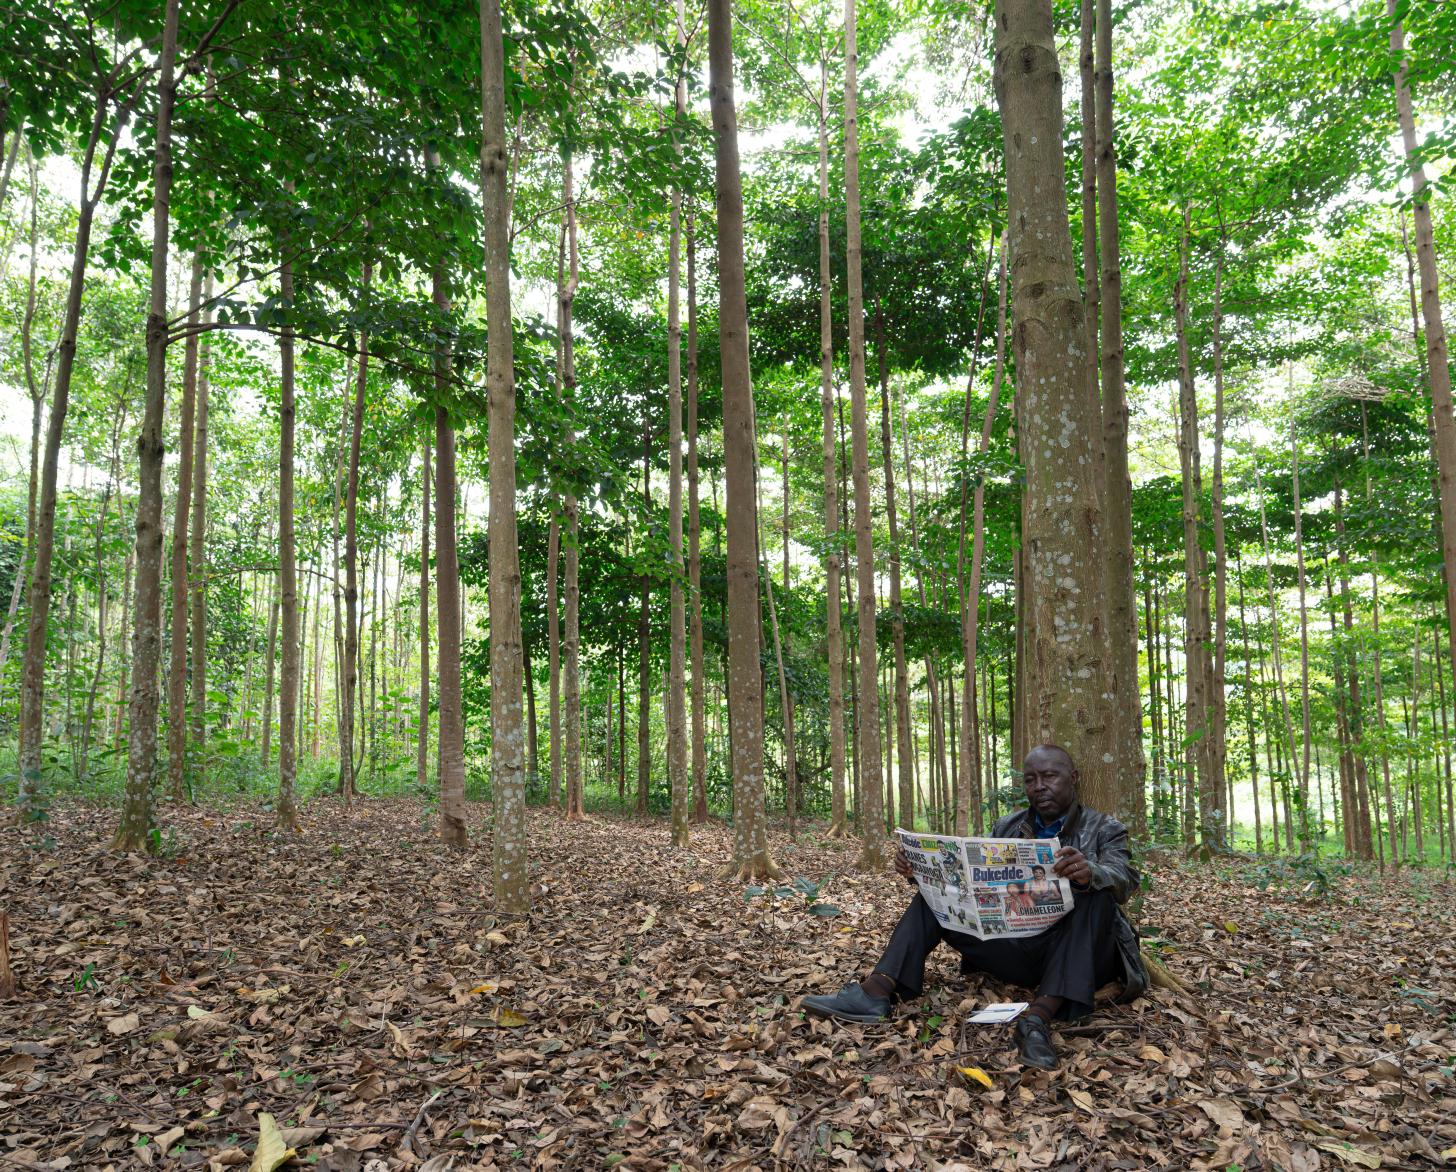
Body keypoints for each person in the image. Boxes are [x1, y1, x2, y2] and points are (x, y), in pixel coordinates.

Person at [801, 744, 1147, 1071]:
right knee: (929, 899)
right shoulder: (1008, 826)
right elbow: (972, 886)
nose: (1039, 786)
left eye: (1050, 776)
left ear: (1073, 778)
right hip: (1018, 944)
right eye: (1030, 779)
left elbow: (1126, 878)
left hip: (1077, 954)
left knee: (1095, 895)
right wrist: (921, 872)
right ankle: (876, 991)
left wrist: (1091, 873)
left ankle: (1037, 1019)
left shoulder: (1104, 828)